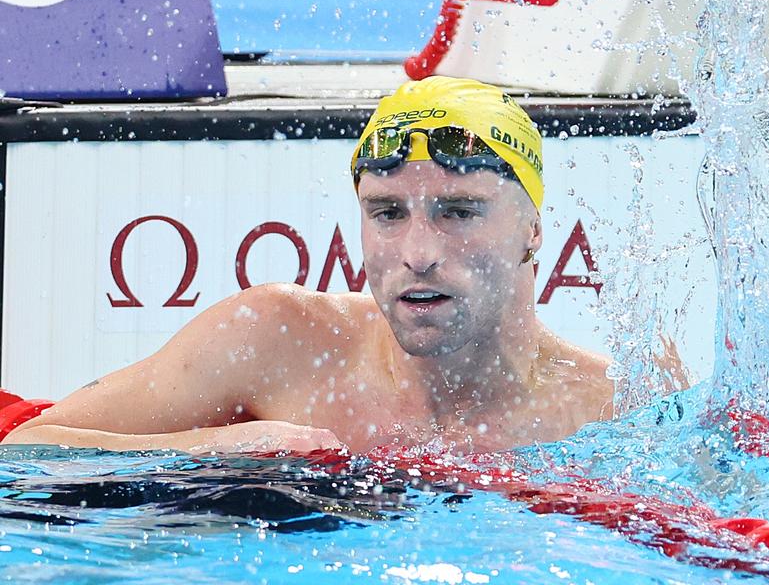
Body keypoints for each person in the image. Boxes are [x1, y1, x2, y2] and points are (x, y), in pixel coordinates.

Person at [2, 76, 614, 455]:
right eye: (387, 212)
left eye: (457, 212)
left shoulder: (607, 407)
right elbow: (28, 448)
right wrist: (213, 449)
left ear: (532, 231)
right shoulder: (278, 338)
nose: (418, 252)